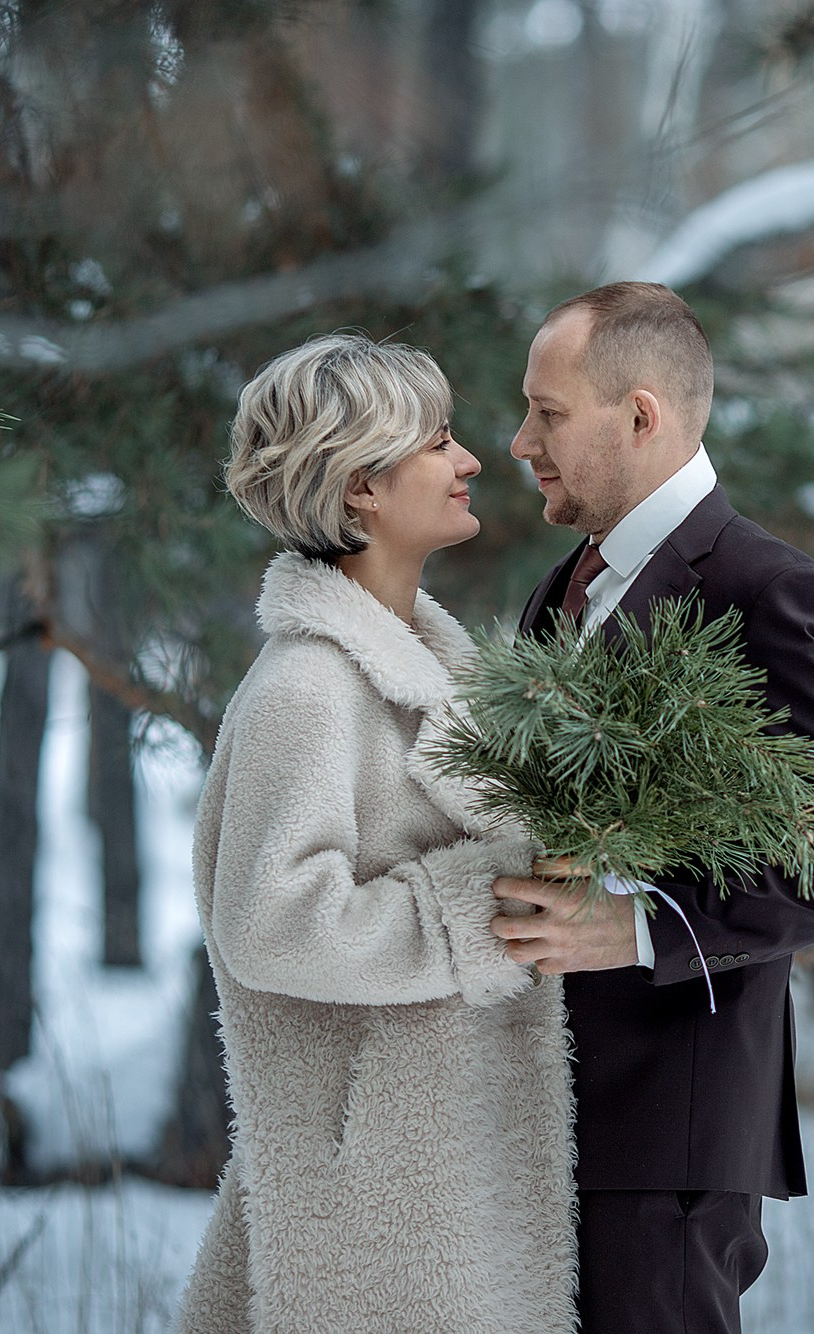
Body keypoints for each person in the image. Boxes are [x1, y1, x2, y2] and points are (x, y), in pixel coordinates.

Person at [492, 282, 814, 1333]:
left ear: (638, 415)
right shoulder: (565, 584)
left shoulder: (766, 590)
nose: (516, 442)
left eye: (547, 414)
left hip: (666, 1143)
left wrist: (638, 924)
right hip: (542, 1120)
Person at [177, 334, 575, 1334]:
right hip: (376, 1207)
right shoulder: (306, 686)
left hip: (442, 1177)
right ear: (361, 484)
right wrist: (489, 906)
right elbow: (269, 922)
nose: (472, 459)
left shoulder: (434, 672)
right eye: (438, 441)